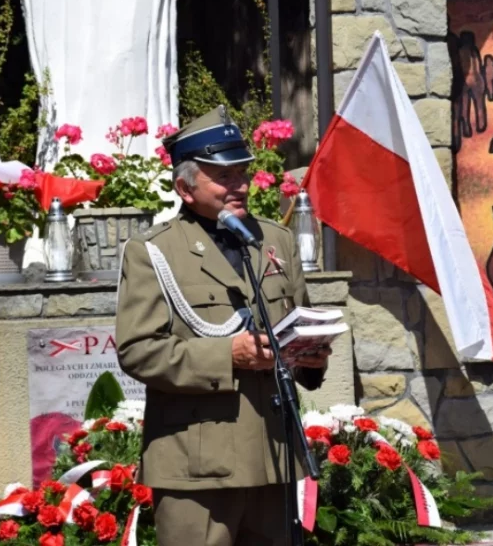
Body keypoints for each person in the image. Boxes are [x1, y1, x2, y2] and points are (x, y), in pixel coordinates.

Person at [115, 105, 331, 546]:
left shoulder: (275, 241)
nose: (241, 186)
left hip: (273, 457)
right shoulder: (155, 251)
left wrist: (311, 356)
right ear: (185, 187)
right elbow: (137, 349)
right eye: (224, 176)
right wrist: (226, 356)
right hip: (198, 465)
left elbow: (296, 321)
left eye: (243, 174)